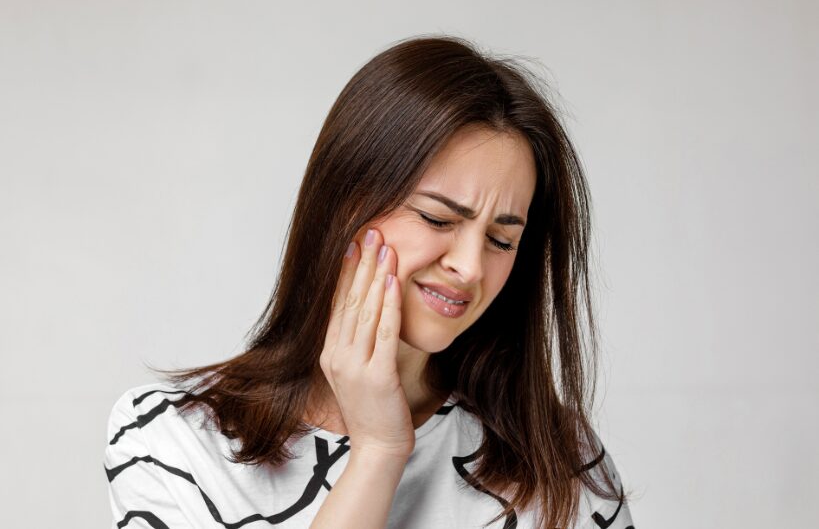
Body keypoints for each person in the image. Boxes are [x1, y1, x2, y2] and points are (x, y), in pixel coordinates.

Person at [104, 35, 636, 529]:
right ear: (343, 206)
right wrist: (379, 451)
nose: (470, 267)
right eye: (437, 219)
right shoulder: (171, 440)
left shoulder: (562, 463)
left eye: (501, 241)